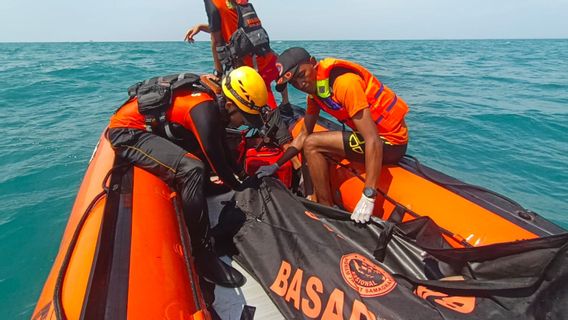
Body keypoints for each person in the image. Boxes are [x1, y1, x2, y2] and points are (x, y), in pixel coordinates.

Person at [108, 66, 271, 288]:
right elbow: (215, 158)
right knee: (192, 168)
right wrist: (239, 186)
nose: (244, 124)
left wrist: (242, 176)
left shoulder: (216, 105)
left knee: (198, 152)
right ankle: (203, 256)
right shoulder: (204, 110)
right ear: (231, 105)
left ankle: (205, 189)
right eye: (245, 117)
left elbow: (219, 142)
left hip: (150, 127)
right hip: (127, 133)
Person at [256, 47, 409, 224]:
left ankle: (326, 210)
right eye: (294, 83)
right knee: (310, 142)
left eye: (301, 75)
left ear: (313, 62)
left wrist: (369, 195)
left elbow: (372, 139)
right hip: (376, 139)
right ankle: (314, 199)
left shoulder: (344, 84)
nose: (301, 84)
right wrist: (276, 165)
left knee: (312, 144)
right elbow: (303, 133)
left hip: (390, 143)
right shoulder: (315, 94)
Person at [183, 0, 290, 111]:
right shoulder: (239, 2)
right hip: (271, 59)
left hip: (254, 71)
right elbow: (234, 28)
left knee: (270, 116)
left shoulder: (214, 3)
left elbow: (216, 40)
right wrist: (201, 27)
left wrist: (218, 74)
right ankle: (286, 103)